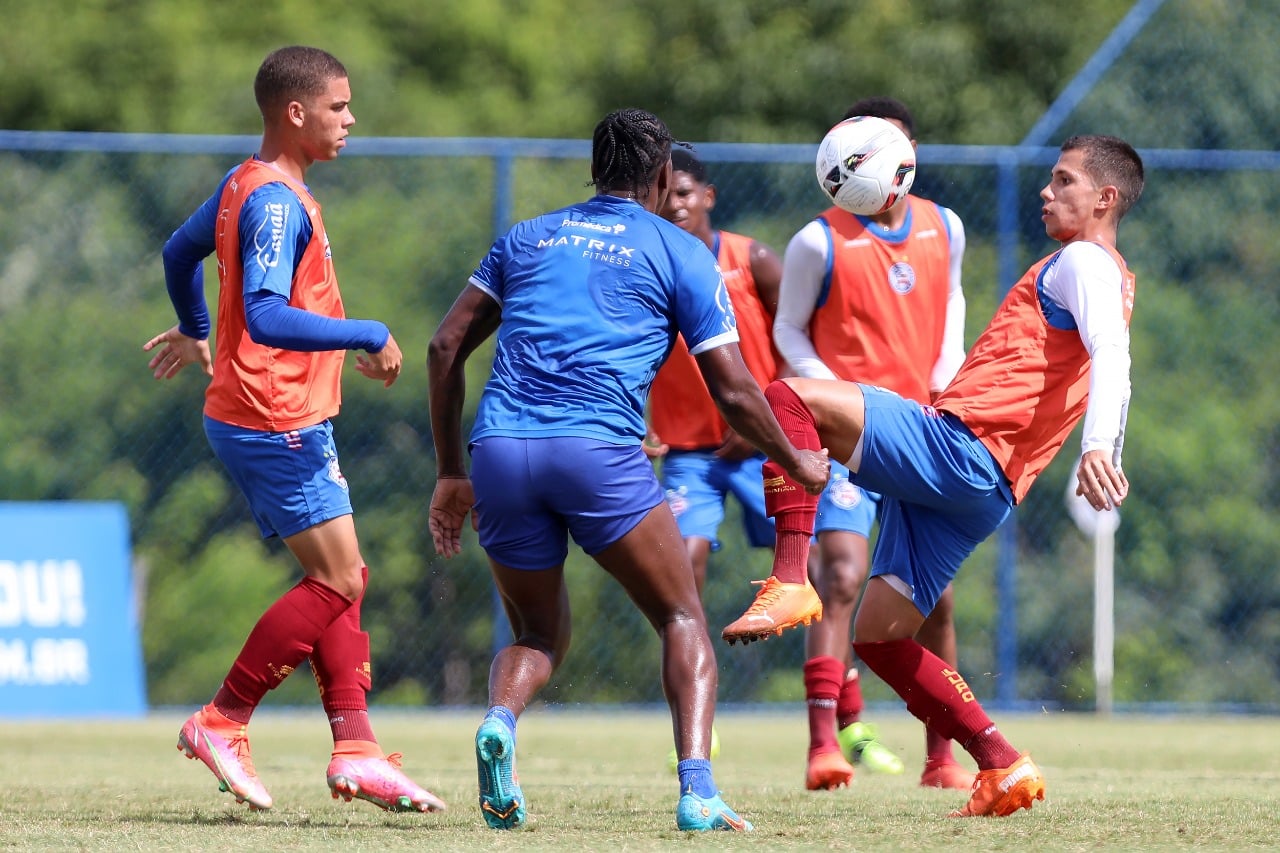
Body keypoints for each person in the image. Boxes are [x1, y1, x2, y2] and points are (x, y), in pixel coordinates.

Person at [426, 108, 829, 832]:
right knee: (680, 614)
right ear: (666, 175)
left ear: (595, 167)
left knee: (538, 633)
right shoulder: (680, 251)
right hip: (597, 453)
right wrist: (796, 456)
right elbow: (734, 388)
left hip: (500, 451)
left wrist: (451, 472)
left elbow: (443, 346)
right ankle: (698, 789)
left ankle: (499, 720)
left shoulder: (528, 235)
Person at [739, 133, 1143, 817]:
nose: (1048, 191)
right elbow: (1107, 355)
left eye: (1063, 180)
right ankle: (1000, 762)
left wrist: (1099, 445)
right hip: (987, 489)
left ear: (1104, 198)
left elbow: (1113, 353)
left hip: (960, 448)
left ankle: (787, 578)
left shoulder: (1082, 261)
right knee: (878, 635)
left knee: (789, 397)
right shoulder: (1109, 272)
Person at [143, 45, 445, 815]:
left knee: (348, 578)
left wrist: (195, 324)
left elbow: (179, 253)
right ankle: (223, 719)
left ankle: (358, 748)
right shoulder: (274, 200)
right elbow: (273, 316)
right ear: (296, 113)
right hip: (271, 413)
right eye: (340, 107)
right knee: (340, 581)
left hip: (276, 412)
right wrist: (369, 331)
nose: (351, 120)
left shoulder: (243, 182)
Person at [732, 97, 975, 792]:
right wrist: (830, 391)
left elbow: (952, 299)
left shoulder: (944, 225)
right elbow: (788, 333)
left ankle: (941, 757)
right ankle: (821, 745)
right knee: (840, 576)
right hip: (848, 435)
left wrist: (944, 371)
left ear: (907, 154)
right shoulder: (819, 241)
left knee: (938, 598)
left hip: (921, 432)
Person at [645, 147, 785, 595]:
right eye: (663, 196)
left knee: (816, 566)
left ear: (708, 195)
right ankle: (692, 667)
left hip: (764, 442)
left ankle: (831, 667)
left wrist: (762, 418)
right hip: (688, 453)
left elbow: (797, 347)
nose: (674, 205)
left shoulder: (753, 260)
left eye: (683, 193)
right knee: (681, 571)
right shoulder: (644, 271)